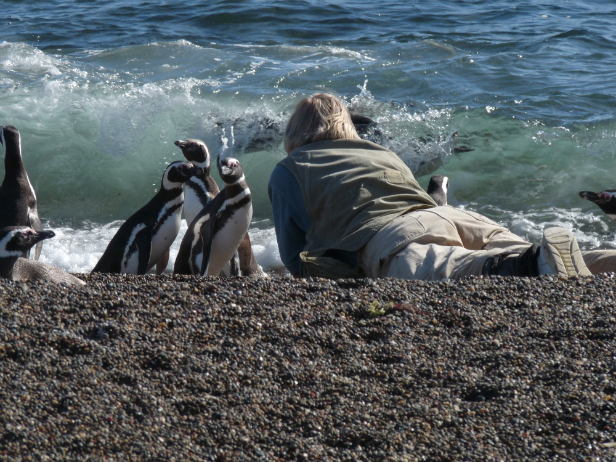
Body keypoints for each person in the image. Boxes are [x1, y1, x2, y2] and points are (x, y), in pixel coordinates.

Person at [268, 92, 616, 280]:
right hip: (449, 216)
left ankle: (533, 266)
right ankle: (607, 261)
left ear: (294, 133)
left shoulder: (288, 170)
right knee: (533, 252)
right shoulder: (380, 152)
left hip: (392, 238)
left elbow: (293, 258)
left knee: (463, 268)